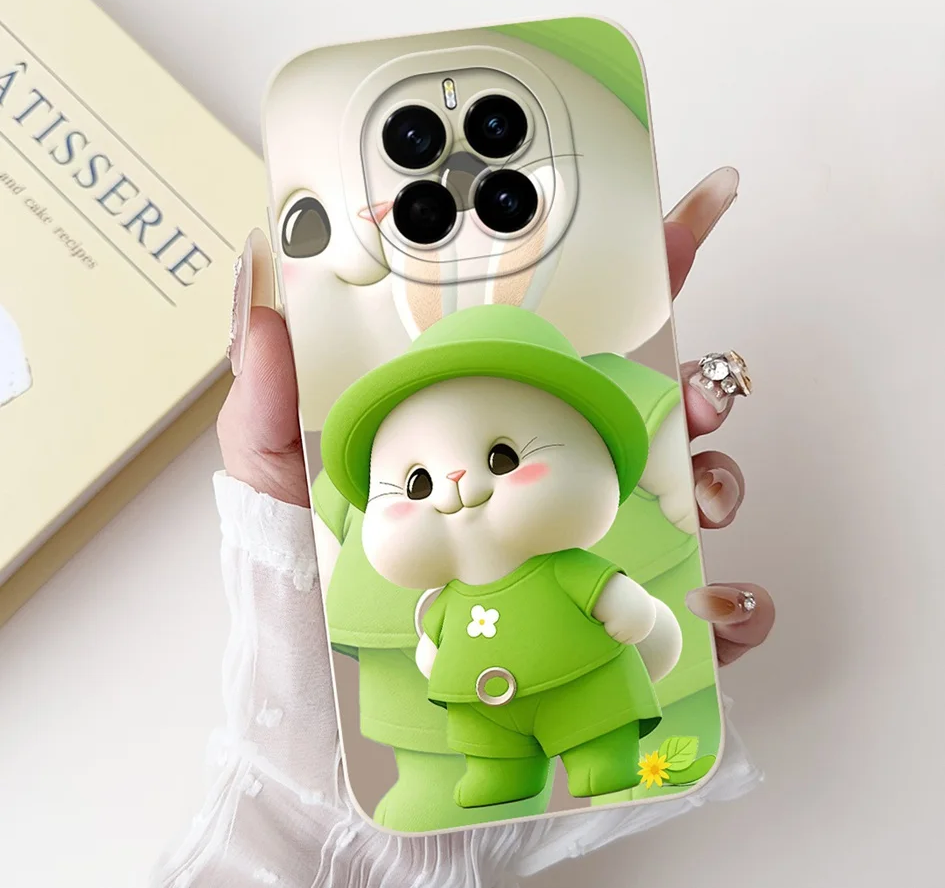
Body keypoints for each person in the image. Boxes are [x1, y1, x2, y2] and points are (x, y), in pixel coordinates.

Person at [152, 166, 775, 888]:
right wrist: (307, 570)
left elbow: (624, 596)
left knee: (597, 728)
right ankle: (492, 772)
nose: (452, 488)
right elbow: (405, 620)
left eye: (504, 457)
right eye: (416, 484)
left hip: (583, 684)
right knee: (472, 754)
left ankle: (599, 754)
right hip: (465, 718)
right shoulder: (422, 576)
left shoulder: (569, 554)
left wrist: (652, 620)